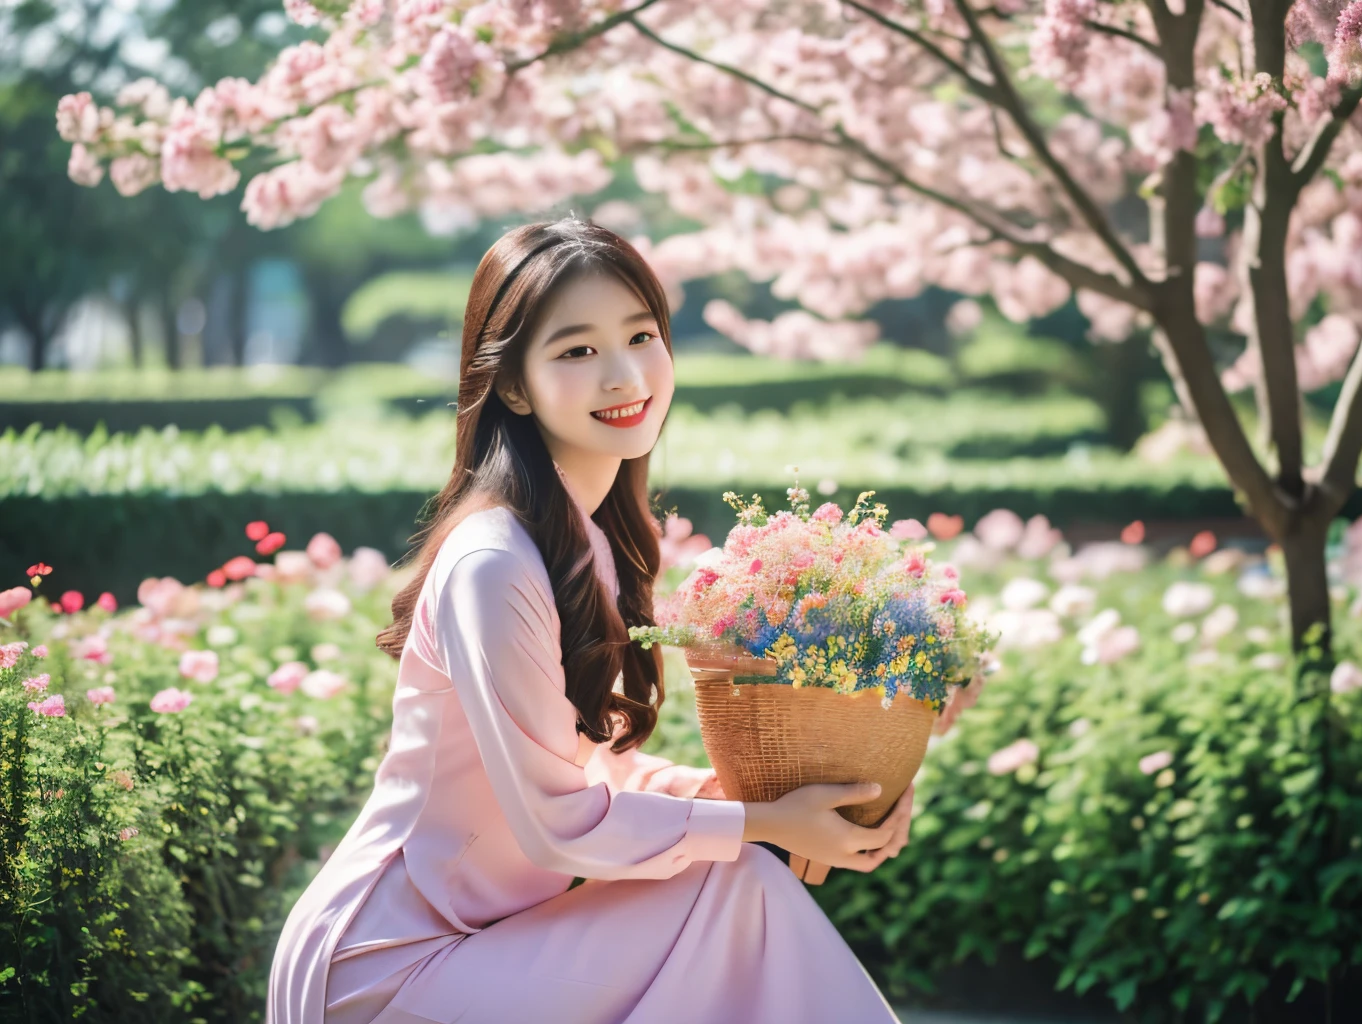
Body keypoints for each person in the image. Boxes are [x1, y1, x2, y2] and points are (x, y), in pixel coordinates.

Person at [267, 218, 913, 1024]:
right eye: (576, 351)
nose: (623, 374)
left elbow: (593, 771)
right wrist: (762, 822)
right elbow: (556, 823)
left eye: (641, 336)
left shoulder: (584, 541)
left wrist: (799, 798)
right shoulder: (495, 563)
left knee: (734, 874)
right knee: (738, 878)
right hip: (387, 967)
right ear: (511, 385)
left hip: (481, 940)